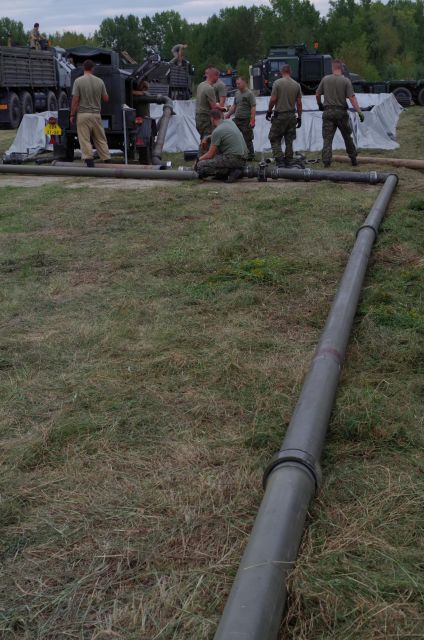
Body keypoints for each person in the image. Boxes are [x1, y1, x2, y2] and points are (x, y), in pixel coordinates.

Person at [316, 60, 365, 167]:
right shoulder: (346, 81)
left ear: (332, 68)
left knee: (327, 139)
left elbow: (318, 94)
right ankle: (353, 159)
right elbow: (352, 98)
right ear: (341, 68)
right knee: (347, 137)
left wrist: (320, 105)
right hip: (341, 113)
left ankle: (326, 162)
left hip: (328, 112)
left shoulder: (325, 79)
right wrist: (359, 111)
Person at [70, 59, 111, 167]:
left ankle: (89, 161)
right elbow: (106, 99)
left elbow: (75, 100)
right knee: (100, 138)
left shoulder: (78, 81)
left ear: (84, 68)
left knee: (85, 139)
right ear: (93, 68)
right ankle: (107, 159)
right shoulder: (100, 81)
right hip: (96, 115)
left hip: (83, 115)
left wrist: (72, 114)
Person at [197, 109, 248, 182]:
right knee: (215, 158)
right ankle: (234, 170)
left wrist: (198, 160)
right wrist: (207, 137)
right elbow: (225, 133)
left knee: (200, 166)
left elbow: (210, 155)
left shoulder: (217, 131)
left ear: (212, 119)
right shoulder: (230, 122)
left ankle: (230, 172)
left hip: (233, 159)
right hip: (243, 158)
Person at [266, 64, 302, 167]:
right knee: (289, 140)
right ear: (290, 72)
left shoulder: (277, 83)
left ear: (281, 72)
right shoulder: (296, 85)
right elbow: (299, 103)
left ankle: (280, 160)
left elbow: (273, 99)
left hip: (280, 116)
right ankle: (289, 160)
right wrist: (299, 117)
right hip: (291, 116)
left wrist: (269, 111)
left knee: (274, 138)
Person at [225, 76, 256, 161]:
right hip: (237, 119)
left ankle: (250, 156)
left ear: (244, 82)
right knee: (231, 135)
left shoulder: (249, 94)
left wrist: (252, 120)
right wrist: (228, 114)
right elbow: (234, 106)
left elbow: (253, 107)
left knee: (247, 139)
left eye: (239, 83)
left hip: (246, 120)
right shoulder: (237, 93)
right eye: (236, 84)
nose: (237, 85)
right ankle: (235, 153)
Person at [195, 67, 225, 142]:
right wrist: (223, 109)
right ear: (214, 76)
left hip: (198, 117)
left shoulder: (200, 85)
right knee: (208, 141)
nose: (218, 78)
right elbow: (214, 108)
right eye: (217, 75)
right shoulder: (209, 89)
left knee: (203, 140)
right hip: (206, 119)